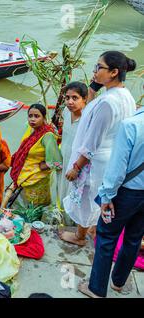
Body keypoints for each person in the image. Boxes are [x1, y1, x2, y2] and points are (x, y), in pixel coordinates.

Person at [61, 51, 137, 246]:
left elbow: (92, 140)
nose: (94, 71)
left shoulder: (107, 103)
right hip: (111, 156)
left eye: (99, 67)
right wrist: (94, 87)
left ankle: (80, 236)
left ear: (113, 72)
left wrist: (76, 167)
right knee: (97, 198)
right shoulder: (125, 95)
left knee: (85, 198)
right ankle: (93, 231)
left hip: (95, 160)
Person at [78, 106, 143, 298]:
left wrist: (107, 196)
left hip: (127, 193)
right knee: (134, 238)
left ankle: (96, 288)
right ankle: (118, 282)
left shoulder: (132, 124)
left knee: (106, 237)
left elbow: (118, 166)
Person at [9, 104, 62, 207]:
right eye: (30, 116)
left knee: (33, 213)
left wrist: (42, 166)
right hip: (25, 179)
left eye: (37, 116)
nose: (32, 119)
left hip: (37, 182)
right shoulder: (34, 132)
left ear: (44, 118)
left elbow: (57, 162)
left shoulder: (48, 136)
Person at [57, 82, 88, 207]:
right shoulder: (65, 111)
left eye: (75, 98)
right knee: (62, 191)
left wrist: (77, 168)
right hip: (64, 159)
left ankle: (74, 225)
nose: (70, 102)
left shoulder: (88, 119)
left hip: (78, 164)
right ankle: (62, 221)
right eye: (67, 98)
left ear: (85, 99)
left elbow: (90, 148)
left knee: (75, 198)